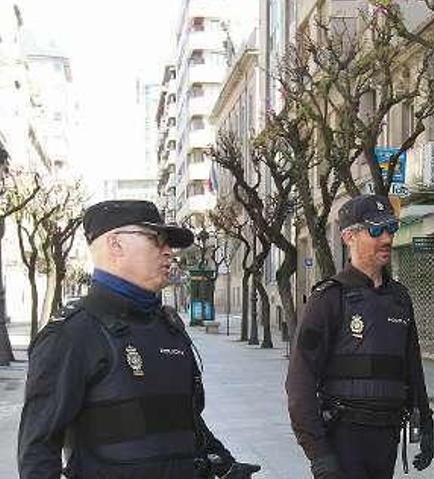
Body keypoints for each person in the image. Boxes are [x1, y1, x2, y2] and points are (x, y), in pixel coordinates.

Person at [17, 200, 260, 479]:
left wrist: (223, 463)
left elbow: (183, 418)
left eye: (169, 243)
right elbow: (37, 449)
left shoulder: (168, 327)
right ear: (116, 245)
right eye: (157, 240)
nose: (169, 252)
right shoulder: (73, 333)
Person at [287, 194, 434, 479]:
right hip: (344, 440)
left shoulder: (400, 298)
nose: (387, 238)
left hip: (387, 438)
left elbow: (412, 368)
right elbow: (299, 381)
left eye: (391, 228)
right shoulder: (328, 298)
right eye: (376, 230)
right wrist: (319, 454)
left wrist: (426, 424)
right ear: (349, 236)